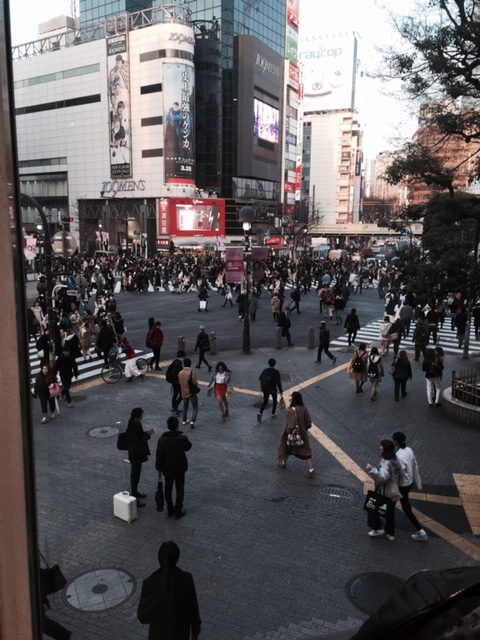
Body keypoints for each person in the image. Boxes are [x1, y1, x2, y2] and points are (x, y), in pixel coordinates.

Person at [137, 541, 201, 639]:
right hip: (180, 635)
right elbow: (193, 607)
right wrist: (195, 628)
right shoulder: (186, 579)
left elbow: (143, 618)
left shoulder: (150, 582)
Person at [392, 432, 429, 541]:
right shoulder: (409, 450)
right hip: (408, 483)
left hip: (401, 485)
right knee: (399, 504)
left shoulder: (398, 456)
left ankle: (421, 532)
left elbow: (398, 473)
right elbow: (414, 463)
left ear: (396, 442)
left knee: (402, 507)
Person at [155, 417, 193, 519]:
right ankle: (178, 510)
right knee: (180, 488)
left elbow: (159, 455)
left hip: (167, 468)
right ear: (177, 426)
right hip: (180, 467)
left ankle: (170, 508)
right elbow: (188, 447)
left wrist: (159, 467)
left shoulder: (162, 440)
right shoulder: (182, 438)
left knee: (168, 488)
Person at [366, 439, 402, 541]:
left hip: (386, 492)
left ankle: (377, 528)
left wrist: (372, 469)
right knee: (389, 512)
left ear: (385, 448)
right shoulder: (395, 459)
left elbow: (382, 478)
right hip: (394, 491)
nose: (380, 447)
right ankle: (390, 533)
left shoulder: (387, 463)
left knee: (372, 507)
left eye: (381, 446)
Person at [277, 391, 315, 478]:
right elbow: (308, 422)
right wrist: (304, 429)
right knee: (306, 451)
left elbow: (291, 425)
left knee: (288, 447)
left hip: (293, 434)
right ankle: (311, 469)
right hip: (303, 434)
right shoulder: (304, 408)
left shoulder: (292, 410)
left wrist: (288, 431)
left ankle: (283, 462)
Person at [125, 407, 154, 507]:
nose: (142, 418)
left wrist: (146, 433)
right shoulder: (133, 427)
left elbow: (140, 435)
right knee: (134, 475)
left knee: (136, 474)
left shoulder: (136, 424)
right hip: (135, 454)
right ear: (136, 417)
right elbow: (139, 442)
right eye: (141, 416)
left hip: (137, 454)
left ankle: (135, 492)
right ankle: (134, 497)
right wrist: (148, 435)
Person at [257, 358, 283, 422]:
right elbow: (278, 382)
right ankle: (273, 413)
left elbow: (260, 378)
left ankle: (260, 412)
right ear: (275, 364)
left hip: (265, 388)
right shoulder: (276, 372)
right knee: (274, 400)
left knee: (265, 401)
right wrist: (281, 391)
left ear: (268, 363)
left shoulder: (265, 370)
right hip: (273, 388)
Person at [178, 358, 199, 429]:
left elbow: (180, 382)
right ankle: (192, 421)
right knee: (195, 407)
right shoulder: (192, 372)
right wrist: (197, 383)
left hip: (184, 391)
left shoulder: (180, 373)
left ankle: (184, 420)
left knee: (185, 406)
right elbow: (194, 382)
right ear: (190, 364)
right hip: (191, 392)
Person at [169, 350, 185, 415]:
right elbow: (175, 372)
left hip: (174, 382)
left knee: (175, 394)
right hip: (177, 382)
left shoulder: (175, 361)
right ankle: (175, 407)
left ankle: (174, 407)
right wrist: (177, 381)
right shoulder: (178, 363)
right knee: (181, 395)